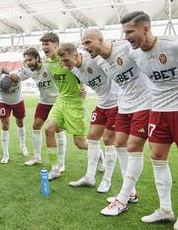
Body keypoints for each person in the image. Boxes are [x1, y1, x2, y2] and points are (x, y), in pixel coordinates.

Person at [81, 28, 152, 216]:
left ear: (100, 39)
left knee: (133, 146)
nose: (85, 47)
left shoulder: (126, 49)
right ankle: (132, 193)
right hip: (124, 104)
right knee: (119, 143)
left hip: (144, 103)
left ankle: (123, 197)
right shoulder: (97, 60)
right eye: (83, 44)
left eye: (88, 42)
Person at [120, 11, 178, 226]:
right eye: (124, 32)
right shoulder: (133, 54)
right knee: (157, 158)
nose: (126, 37)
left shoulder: (172, 45)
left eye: (130, 32)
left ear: (145, 29)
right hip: (157, 110)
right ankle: (165, 209)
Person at [59, 43, 120, 193]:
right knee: (92, 137)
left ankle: (107, 180)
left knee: (108, 140)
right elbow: (85, 78)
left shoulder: (93, 60)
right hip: (102, 105)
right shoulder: (73, 69)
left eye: (66, 60)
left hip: (117, 103)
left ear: (76, 55)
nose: (64, 64)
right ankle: (89, 177)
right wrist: (83, 89)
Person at [40, 33, 90, 181]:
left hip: (75, 103)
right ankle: (55, 168)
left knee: (80, 144)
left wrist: (84, 88)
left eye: (46, 44)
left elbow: (86, 72)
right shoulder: (49, 62)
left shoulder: (69, 59)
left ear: (56, 45)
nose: (43, 48)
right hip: (60, 101)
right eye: (42, 45)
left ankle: (98, 154)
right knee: (48, 129)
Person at [10, 47, 67, 168]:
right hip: (44, 102)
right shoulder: (28, 69)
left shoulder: (48, 66)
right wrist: (11, 75)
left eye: (30, 59)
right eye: (26, 60)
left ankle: (61, 163)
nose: (28, 62)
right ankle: (37, 157)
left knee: (58, 130)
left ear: (37, 58)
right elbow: (16, 75)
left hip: (57, 101)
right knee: (36, 126)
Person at [0, 73, 30, 164]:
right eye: (5, 90)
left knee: (20, 122)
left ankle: (23, 146)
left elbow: (30, 72)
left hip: (18, 102)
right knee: (5, 124)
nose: (7, 92)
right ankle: (5, 154)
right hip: (3, 102)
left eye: (8, 90)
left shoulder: (18, 78)